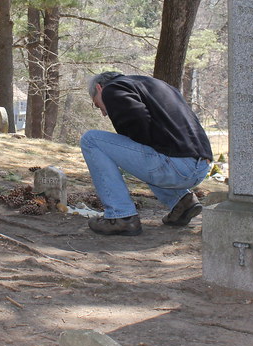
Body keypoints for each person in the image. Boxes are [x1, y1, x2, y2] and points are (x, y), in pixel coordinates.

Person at [81, 71, 212, 236]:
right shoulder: (156, 85)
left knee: (90, 139)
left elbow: (138, 122)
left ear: (99, 88)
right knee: (147, 148)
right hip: (200, 166)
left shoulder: (112, 89)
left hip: (177, 167)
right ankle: (181, 201)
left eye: (97, 105)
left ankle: (121, 216)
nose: (103, 113)